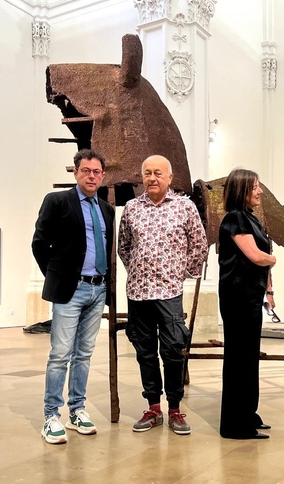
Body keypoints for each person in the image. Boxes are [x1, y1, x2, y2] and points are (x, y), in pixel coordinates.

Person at [118, 155, 208, 435]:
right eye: (147, 173)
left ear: (170, 178)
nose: (152, 178)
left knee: (172, 352)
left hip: (169, 293)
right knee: (145, 353)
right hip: (138, 292)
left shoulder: (184, 207)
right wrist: (138, 270)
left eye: (158, 173)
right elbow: (124, 247)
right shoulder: (132, 208)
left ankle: (175, 409)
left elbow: (199, 244)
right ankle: (153, 408)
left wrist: (181, 273)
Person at [32, 149, 115, 443]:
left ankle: (77, 410)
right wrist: (57, 276)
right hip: (71, 289)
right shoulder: (57, 202)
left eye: (96, 172)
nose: (91, 176)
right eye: (86, 171)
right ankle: (51, 415)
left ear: (102, 176)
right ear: (76, 172)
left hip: (98, 288)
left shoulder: (106, 209)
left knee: (84, 354)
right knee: (59, 355)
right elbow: (40, 243)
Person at [218, 168, 276, 439]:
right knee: (239, 359)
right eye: (255, 187)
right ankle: (235, 424)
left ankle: (248, 413)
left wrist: (268, 287)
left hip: (250, 298)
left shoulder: (249, 219)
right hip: (238, 299)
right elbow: (256, 256)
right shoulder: (235, 219)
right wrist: (273, 259)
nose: (260, 191)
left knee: (249, 357)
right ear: (242, 190)